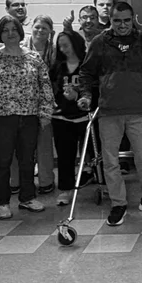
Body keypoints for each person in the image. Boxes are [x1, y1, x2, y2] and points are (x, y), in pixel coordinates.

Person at [77, 2, 142, 226]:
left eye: (126, 20)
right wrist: (86, 96)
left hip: (137, 110)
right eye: (117, 20)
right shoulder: (100, 42)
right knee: (110, 161)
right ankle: (118, 203)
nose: (122, 25)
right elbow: (86, 72)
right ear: (110, 20)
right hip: (109, 110)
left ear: (133, 20)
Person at [0, 15, 54, 219]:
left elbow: (45, 86)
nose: (10, 34)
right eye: (5, 30)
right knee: (2, 160)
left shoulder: (33, 58)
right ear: (0, 34)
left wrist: (45, 112)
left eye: (13, 29)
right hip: (0, 118)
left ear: (20, 32)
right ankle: (1, 202)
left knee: (28, 159)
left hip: (29, 116)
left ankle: (28, 197)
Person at [11, 14, 59, 195]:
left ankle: (46, 180)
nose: (40, 31)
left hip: (45, 103)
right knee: (18, 144)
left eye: (44, 28)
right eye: (37, 27)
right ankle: (16, 181)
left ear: (50, 32)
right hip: (20, 103)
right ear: (31, 28)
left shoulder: (54, 51)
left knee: (44, 143)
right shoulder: (20, 48)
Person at [50, 30, 90, 206]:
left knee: (95, 153)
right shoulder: (57, 66)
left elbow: (94, 87)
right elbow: (50, 88)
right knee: (65, 156)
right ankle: (65, 190)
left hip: (85, 117)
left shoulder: (87, 64)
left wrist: (77, 95)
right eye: (60, 45)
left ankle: (102, 184)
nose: (63, 48)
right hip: (62, 118)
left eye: (66, 44)